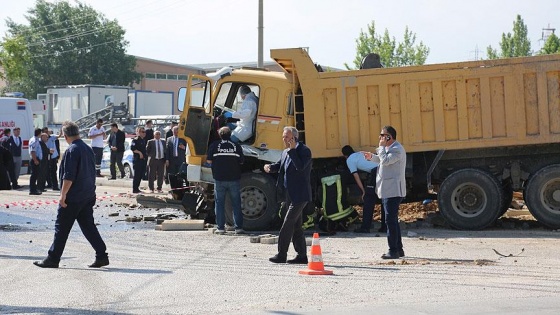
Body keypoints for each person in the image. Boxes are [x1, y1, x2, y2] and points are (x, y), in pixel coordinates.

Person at [33, 120, 109, 268]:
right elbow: (92, 173)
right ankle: (102, 255)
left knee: (61, 227)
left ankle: (53, 258)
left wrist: (63, 195)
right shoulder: (87, 149)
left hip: (73, 197)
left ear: (66, 136)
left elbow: (68, 176)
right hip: (87, 195)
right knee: (88, 227)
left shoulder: (72, 150)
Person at [264, 126, 311, 264]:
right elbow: (281, 166)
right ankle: (302, 256)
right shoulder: (285, 152)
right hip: (288, 194)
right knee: (296, 226)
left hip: (300, 194)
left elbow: (300, 166)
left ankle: (281, 254)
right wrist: (270, 167)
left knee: (287, 222)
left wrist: (293, 150)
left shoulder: (304, 151)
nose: (284, 139)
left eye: (287, 137)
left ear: (294, 138)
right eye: (283, 136)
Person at [364, 126, 406, 259]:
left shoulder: (397, 149)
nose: (380, 138)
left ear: (390, 137)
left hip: (393, 190)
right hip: (388, 189)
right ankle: (398, 249)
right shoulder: (389, 149)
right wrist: (372, 157)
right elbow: (382, 159)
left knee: (390, 220)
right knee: (392, 219)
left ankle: (393, 250)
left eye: (383, 135)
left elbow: (386, 160)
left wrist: (381, 148)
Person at [206, 127, 244, 234]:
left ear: (219, 135)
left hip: (219, 179)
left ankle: (221, 228)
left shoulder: (214, 145)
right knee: (236, 203)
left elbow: (209, 161)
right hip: (234, 178)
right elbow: (241, 161)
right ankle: (239, 228)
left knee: (219, 203)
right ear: (230, 134)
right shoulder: (236, 146)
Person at [341, 145, 386, 233]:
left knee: (369, 198)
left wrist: (363, 191)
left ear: (344, 155)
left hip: (376, 171)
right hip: (383, 170)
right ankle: (385, 227)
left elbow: (356, 176)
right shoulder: (359, 154)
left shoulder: (349, 160)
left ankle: (365, 228)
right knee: (384, 198)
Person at [28, 128, 45, 195]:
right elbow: (33, 151)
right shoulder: (34, 140)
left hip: (36, 159)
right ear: (39, 133)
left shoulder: (36, 140)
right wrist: (35, 160)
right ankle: (32, 190)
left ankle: (34, 189)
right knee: (34, 175)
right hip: (35, 159)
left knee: (36, 175)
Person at [131, 126, 147, 194]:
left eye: (145, 132)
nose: (144, 133)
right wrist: (139, 153)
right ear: (139, 132)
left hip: (142, 160)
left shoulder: (143, 140)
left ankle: (137, 188)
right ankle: (135, 189)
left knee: (140, 175)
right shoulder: (135, 140)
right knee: (137, 175)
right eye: (143, 132)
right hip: (137, 160)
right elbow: (133, 148)